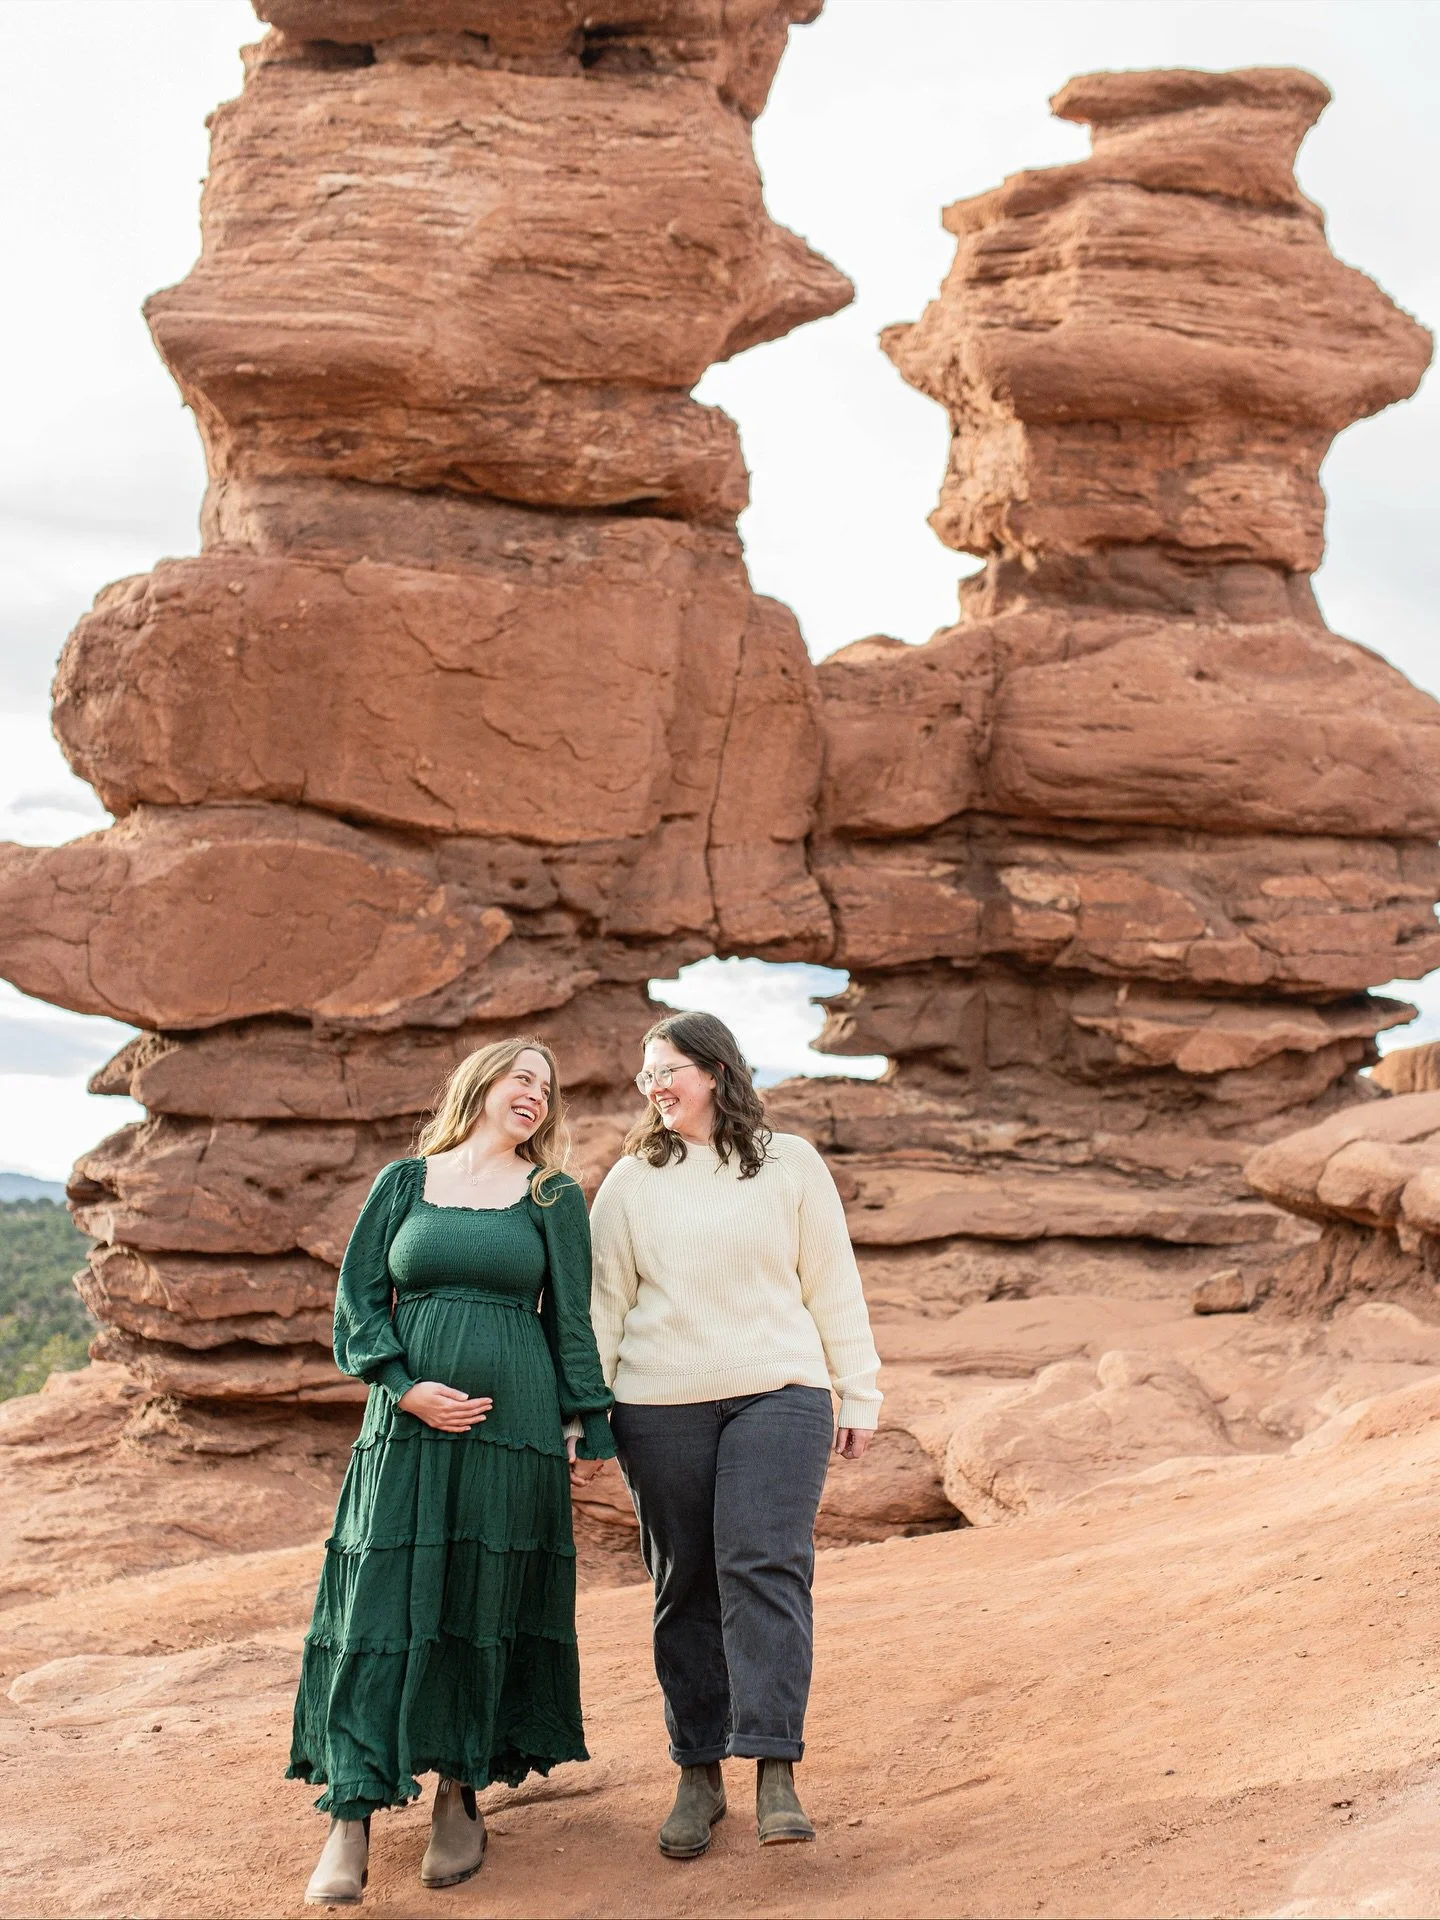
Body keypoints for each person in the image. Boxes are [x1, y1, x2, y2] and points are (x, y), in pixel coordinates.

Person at [288, 1039, 615, 1905]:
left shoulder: (553, 1196)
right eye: (522, 1077)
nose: (535, 1096)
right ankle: (350, 1810)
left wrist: (586, 1419)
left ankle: (460, 1792)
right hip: (405, 1429)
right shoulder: (405, 1182)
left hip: (516, 1432)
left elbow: (569, 1320)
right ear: (481, 1083)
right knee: (379, 1606)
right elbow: (357, 1300)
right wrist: (402, 1386)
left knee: (483, 1599)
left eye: (547, 1087)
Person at [589, 1009, 882, 1858]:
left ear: (714, 1070)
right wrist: (585, 1411)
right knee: (684, 1581)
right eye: (645, 1073)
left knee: (765, 1564)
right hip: (658, 1404)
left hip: (780, 1391)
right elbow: (604, 1308)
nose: (654, 1085)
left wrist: (857, 1392)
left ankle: (775, 1769)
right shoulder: (630, 1182)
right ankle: (698, 1772)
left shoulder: (790, 1163)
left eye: (667, 1068)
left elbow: (832, 1280)